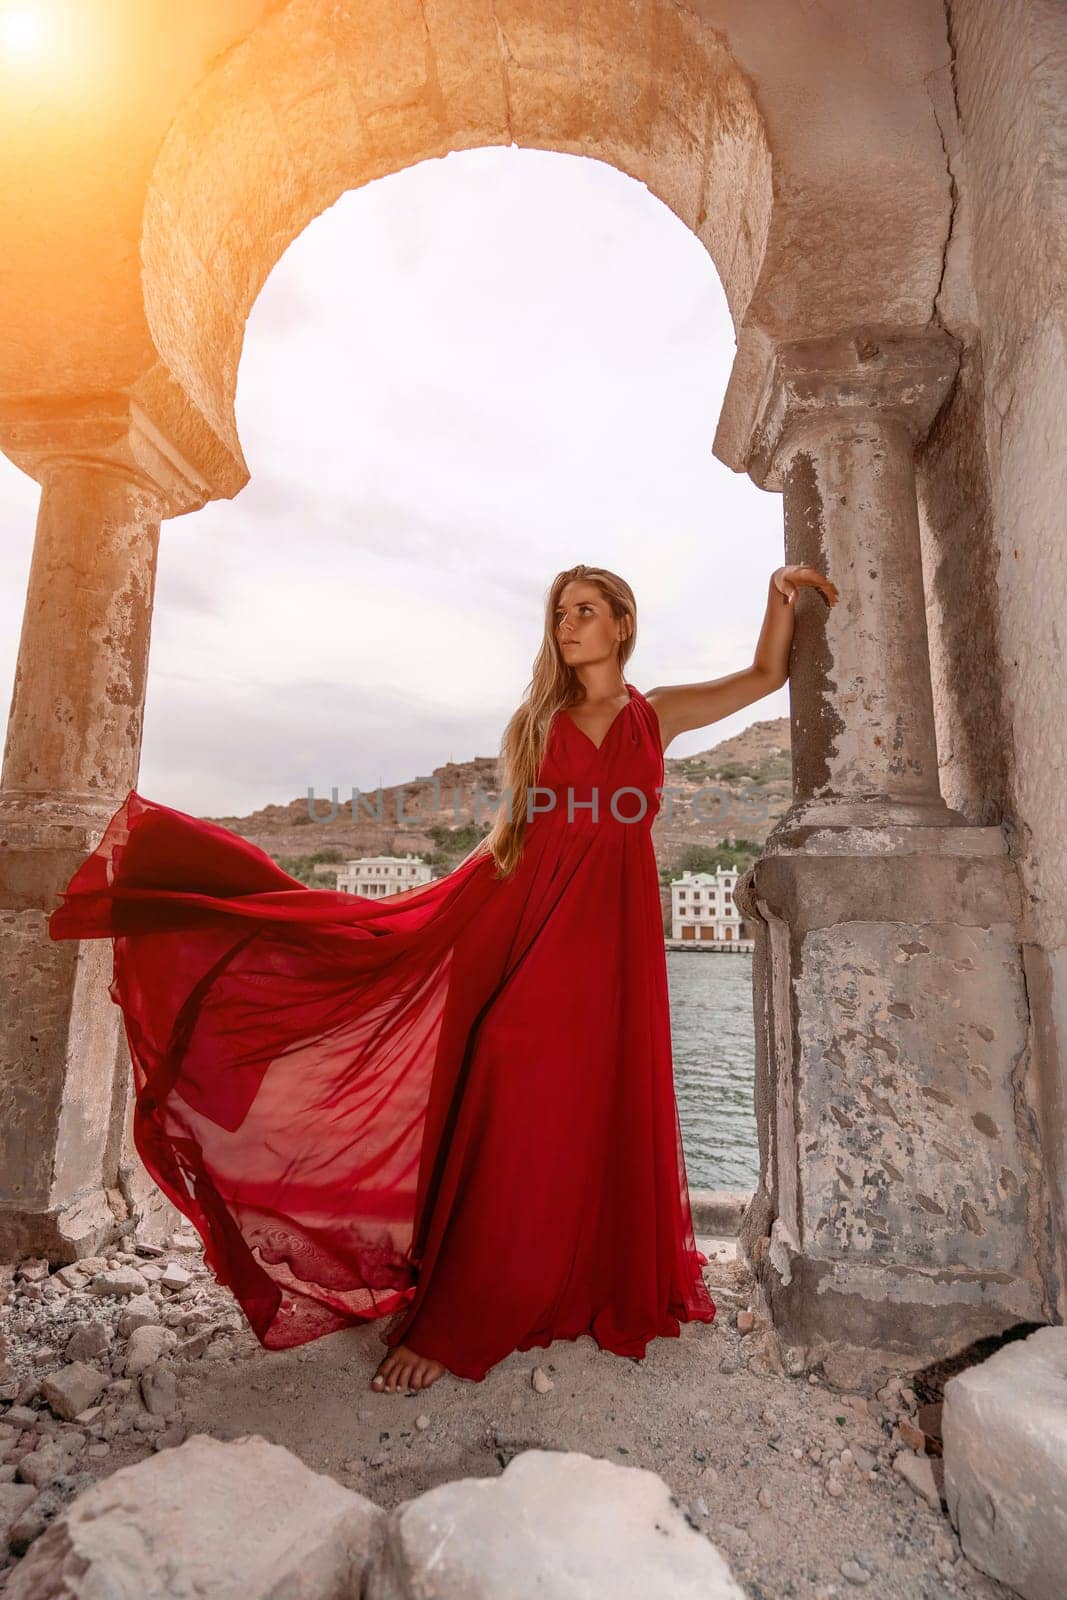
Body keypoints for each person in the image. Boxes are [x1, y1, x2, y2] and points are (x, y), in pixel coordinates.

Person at [48, 560, 836, 1396]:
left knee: (596, 1094)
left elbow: (763, 676)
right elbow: (513, 842)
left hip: (614, 937)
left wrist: (776, 597)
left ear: (621, 625)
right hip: (523, 917)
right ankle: (470, 1301)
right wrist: (445, 914)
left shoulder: (657, 715)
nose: (566, 625)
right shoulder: (539, 720)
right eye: (559, 612)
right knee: (500, 1058)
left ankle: (580, 1274)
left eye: (584, 611)